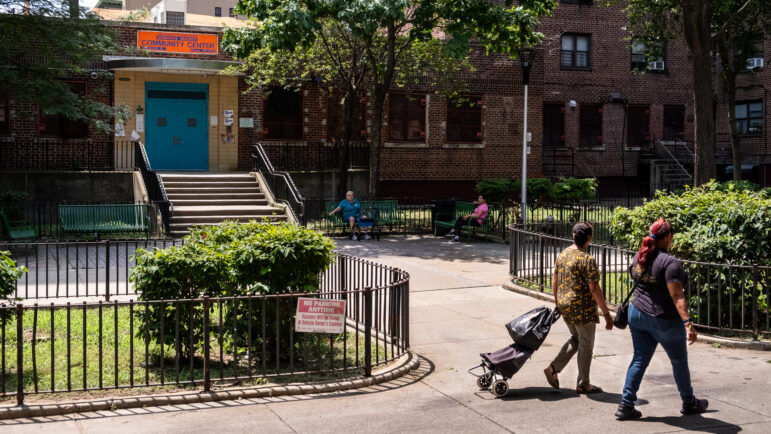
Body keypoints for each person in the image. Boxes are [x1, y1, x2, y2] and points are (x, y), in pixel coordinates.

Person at [615, 219, 707, 420]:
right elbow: (677, 296)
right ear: (668, 238)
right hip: (662, 319)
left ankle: (626, 405)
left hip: (636, 314)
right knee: (679, 361)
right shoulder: (670, 262)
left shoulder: (639, 256)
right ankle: (689, 402)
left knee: (639, 359)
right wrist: (688, 324)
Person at [543, 222, 613, 394]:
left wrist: (558, 303)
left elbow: (555, 280)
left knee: (576, 339)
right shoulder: (587, 259)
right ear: (589, 238)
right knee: (586, 344)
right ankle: (584, 383)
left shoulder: (563, 255)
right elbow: (594, 288)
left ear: (573, 236)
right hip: (583, 308)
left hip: (565, 305)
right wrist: (606, 314)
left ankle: (553, 368)